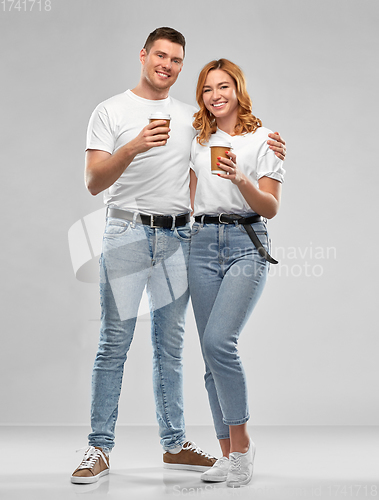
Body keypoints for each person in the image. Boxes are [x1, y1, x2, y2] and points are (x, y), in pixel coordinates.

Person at [71, 28, 286, 484]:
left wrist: (271, 145)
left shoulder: (194, 119)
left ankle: (174, 443)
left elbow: (235, 138)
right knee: (115, 343)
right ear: (144, 56)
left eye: (176, 60)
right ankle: (99, 448)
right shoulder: (111, 110)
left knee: (171, 347)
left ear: (181, 66)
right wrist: (134, 146)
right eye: (160, 56)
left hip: (179, 239)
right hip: (127, 232)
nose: (166, 65)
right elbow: (93, 181)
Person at [188, 59, 285, 488]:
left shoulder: (265, 139)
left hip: (248, 240)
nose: (216, 95)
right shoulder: (195, 140)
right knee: (211, 359)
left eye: (223, 86)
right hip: (201, 243)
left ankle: (242, 448)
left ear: (237, 89)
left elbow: (270, 207)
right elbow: (187, 197)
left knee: (218, 342)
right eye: (208, 89)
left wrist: (241, 179)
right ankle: (227, 455)